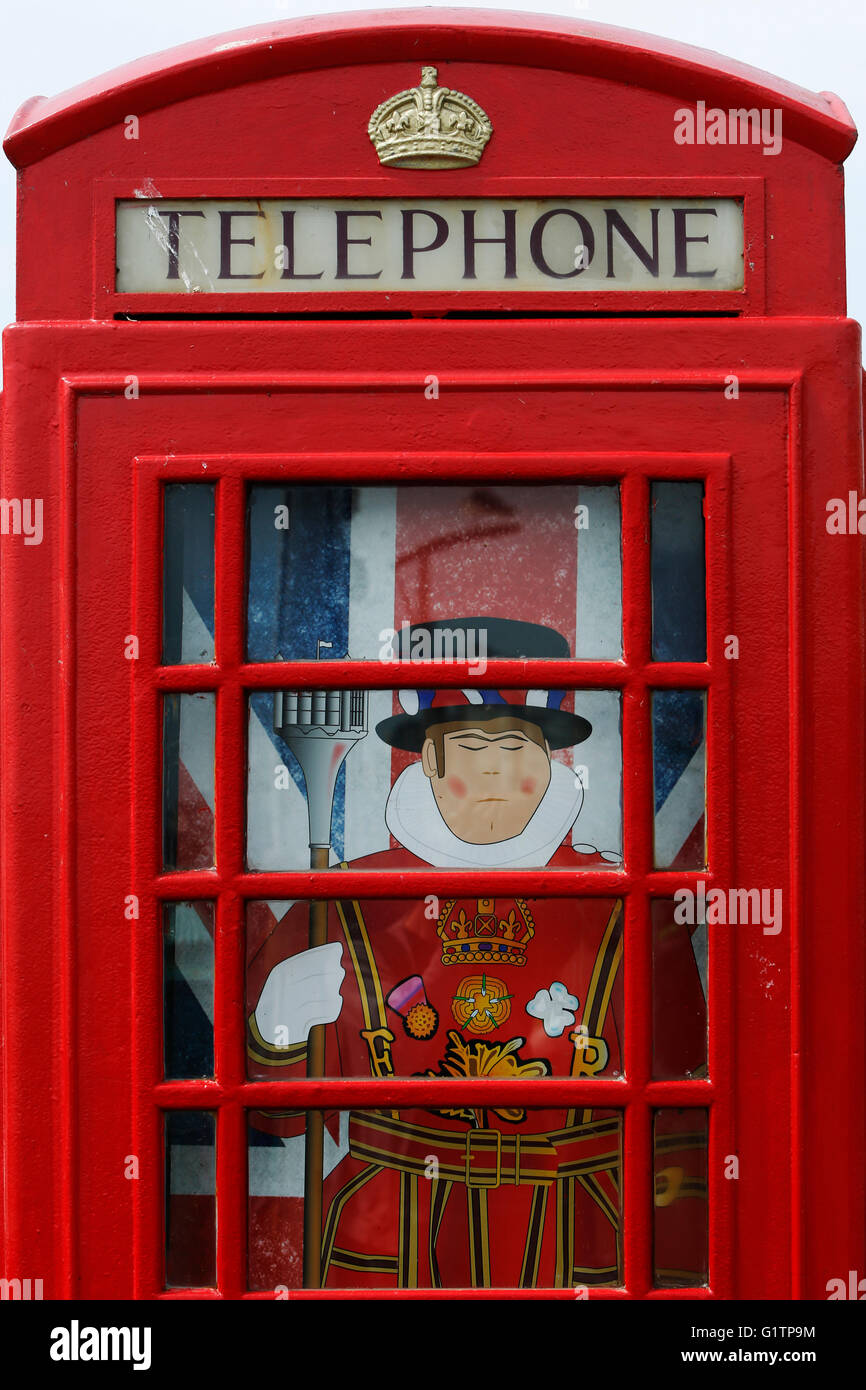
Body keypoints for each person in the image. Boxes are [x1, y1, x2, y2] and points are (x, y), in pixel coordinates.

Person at [247, 619, 706, 1289]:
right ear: (427, 760)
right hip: (394, 1228)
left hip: (576, 1228)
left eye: (517, 744)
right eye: (468, 745)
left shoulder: (628, 905)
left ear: (550, 759)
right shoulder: (343, 899)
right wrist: (276, 1028)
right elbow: (277, 1114)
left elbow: (682, 1115)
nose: (494, 767)